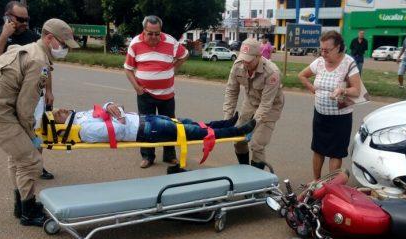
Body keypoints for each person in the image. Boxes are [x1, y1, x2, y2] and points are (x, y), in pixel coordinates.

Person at [0, 19, 79, 227]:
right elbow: (25, 109)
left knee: (18, 157)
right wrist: (33, 136)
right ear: (48, 38)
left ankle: (22, 205)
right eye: (63, 45)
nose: (65, 50)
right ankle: (28, 212)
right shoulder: (38, 62)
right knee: (30, 159)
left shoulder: (29, 49)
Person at [0, 1, 55, 180]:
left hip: (34, 92)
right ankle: (21, 167)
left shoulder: (32, 36)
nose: (25, 22)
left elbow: (45, 66)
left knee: (36, 130)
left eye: (27, 19)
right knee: (17, 134)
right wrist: (5, 34)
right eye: (20, 19)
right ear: (8, 17)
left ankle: (38, 165)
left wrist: (48, 91)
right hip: (10, 94)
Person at [124, 15, 189, 169]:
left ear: (161, 31)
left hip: (167, 94)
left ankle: (169, 155)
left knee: (169, 125)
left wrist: (173, 69)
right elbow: (128, 68)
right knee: (147, 127)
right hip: (145, 95)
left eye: (157, 33)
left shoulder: (170, 41)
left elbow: (184, 55)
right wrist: (137, 88)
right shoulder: (135, 43)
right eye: (150, 33)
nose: (154, 37)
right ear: (143, 31)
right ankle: (147, 156)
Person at [297, 31, 362, 181]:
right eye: (322, 49)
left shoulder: (348, 63)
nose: (323, 53)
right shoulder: (319, 62)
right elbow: (302, 75)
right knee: (318, 149)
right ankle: (316, 181)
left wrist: (343, 90)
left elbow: (357, 90)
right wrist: (310, 87)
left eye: (327, 50)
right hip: (320, 114)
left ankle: (330, 185)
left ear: (338, 47)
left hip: (341, 118)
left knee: (335, 153)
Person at [222, 38, 285, 170]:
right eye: (243, 58)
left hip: (270, 107)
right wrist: (227, 120)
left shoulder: (272, 73)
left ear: (259, 56)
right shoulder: (238, 65)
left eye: (249, 59)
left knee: (257, 144)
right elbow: (231, 91)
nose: (245, 63)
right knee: (238, 140)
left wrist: (253, 126)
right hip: (250, 103)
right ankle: (245, 172)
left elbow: (265, 105)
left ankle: (257, 179)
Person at [51, 103, 255, 143]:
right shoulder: (85, 130)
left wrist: (110, 105)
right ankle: (237, 131)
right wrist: (115, 111)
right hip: (147, 130)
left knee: (190, 123)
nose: (60, 110)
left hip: (145, 120)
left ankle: (225, 123)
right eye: (57, 114)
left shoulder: (80, 116)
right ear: (60, 126)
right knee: (196, 133)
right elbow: (118, 127)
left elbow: (111, 108)